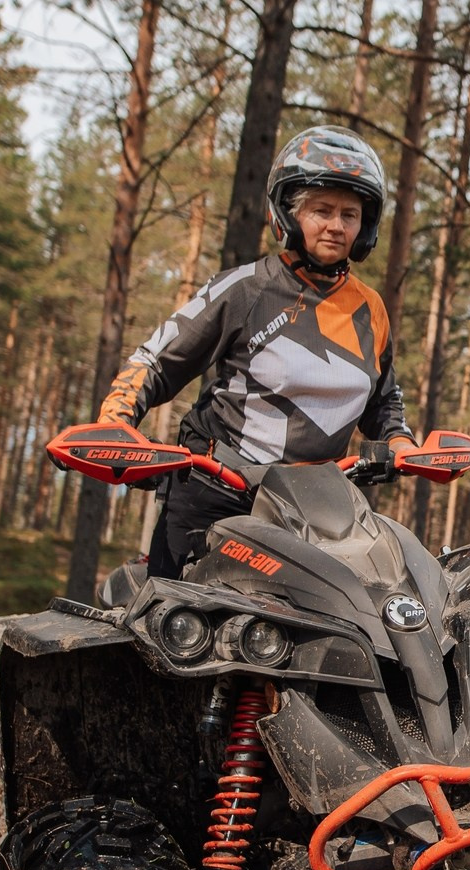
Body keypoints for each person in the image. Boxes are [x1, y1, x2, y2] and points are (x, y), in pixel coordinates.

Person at [96, 126, 418, 579]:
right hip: (217, 496)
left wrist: (401, 443)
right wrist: (116, 423)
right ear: (288, 213)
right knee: (172, 632)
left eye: (350, 214)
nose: (336, 225)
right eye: (321, 210)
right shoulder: (246, 288)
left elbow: (383, 401)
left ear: (366, 226)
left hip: (318, 512)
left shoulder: (371, 309)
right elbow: (154, 361)